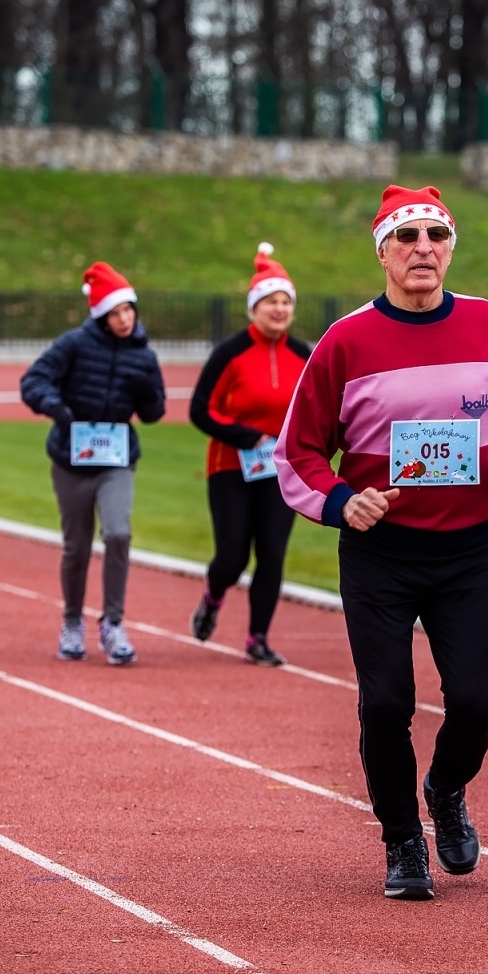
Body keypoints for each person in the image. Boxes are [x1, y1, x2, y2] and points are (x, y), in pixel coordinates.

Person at [275, 185, 488, 900]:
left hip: (469, 548)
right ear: (383, 252)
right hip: (382, 553)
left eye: (435, 235)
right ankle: (402, 843)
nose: (422, 248)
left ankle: (446, 788)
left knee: (476, 703)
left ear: (451, 246)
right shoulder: (346, 340)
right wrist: (341, 501)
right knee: (387, 702)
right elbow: (297, 451)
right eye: (407, 237)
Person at [20, 262, 166, 666]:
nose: (125, 319)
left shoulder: (144, 355)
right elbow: (33, 381)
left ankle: (113, 623)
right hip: (71, 457)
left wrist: (148, 394)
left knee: (118, 533)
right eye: (116, 312)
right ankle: (71, 621)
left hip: (116, 459)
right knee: (77, 547)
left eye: (129, 310)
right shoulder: (73, 344)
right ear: (101, 314)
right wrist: (56, 407)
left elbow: (154, 411)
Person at [188, 243, 312, 667]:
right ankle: (213, 596)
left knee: (273, 552)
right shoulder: (230, 352)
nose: (278, 310)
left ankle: (257, 637)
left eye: (285, 302)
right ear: (254, 308)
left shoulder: (305, 356)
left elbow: (318, 408)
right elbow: (199, 409)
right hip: (231, 466)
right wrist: (244, 436)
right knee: (232, 556)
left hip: (280, 470)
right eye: (270, 302)